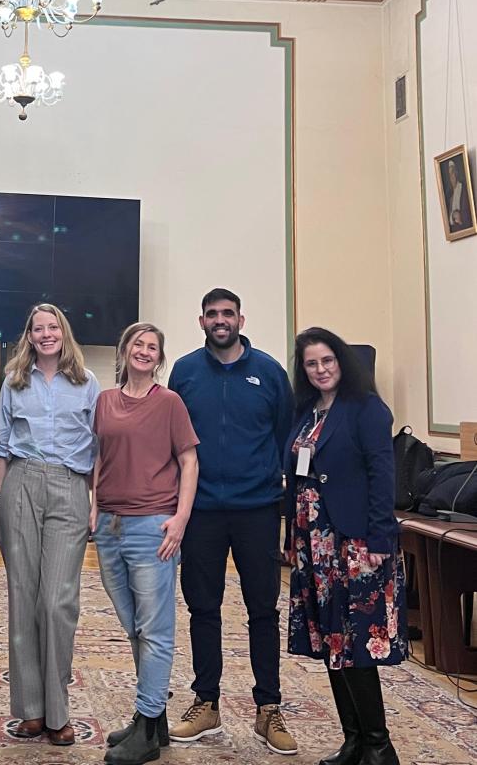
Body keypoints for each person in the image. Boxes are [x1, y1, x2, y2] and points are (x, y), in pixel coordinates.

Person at [167, 288, 297, 755]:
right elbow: (174, 439)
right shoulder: (184, 371)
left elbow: (285, 438)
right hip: (201, 510)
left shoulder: (270, 372)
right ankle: (206, 703)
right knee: (203, 607)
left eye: (228, 313)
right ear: (201, 321)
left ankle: (268, 708)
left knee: (263, 609)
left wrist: (281, 502)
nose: (220, 320)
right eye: (212, 314)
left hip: (257, 509)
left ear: (241, 319)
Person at [285, 328, 406, 765]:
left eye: (327, 360)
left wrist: (379, 537)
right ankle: (354, 741)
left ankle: (379, 746)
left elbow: (382, 474)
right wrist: (291, 538)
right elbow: (297, 478)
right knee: (331, 641)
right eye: (311, 363)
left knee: (356, 644)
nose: (320, 369)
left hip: (355, 544)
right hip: (313, 545)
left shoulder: (366, 408)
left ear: (341, 362)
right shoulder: (306, 411)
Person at [92, 322, 199, 765]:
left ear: (159, 358)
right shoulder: (104, 401)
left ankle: (148, 727)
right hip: (109, 527)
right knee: (133, 625)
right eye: (138, 343)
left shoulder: (169, 402)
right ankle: (153, 718)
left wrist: (180, 520)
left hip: (153, 526)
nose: (144, 351)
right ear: (124, 351)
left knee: (154, 630)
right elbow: (99, 456)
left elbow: (189, 461)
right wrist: (93, 507)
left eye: (152, 347)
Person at [0, 302, 100, 747]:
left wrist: (95, 501)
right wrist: (1, 502)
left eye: (52, 326)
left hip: (70, 486)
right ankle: (32, 711)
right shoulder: (14, 381)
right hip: (20, 483)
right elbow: (2, 447)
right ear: (29, 336)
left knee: (57, 602)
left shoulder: (88, 383)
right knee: (23, 597)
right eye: (37, 328)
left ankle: (59, 711)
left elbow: (99, 447)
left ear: (63, 331)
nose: (46, 334)